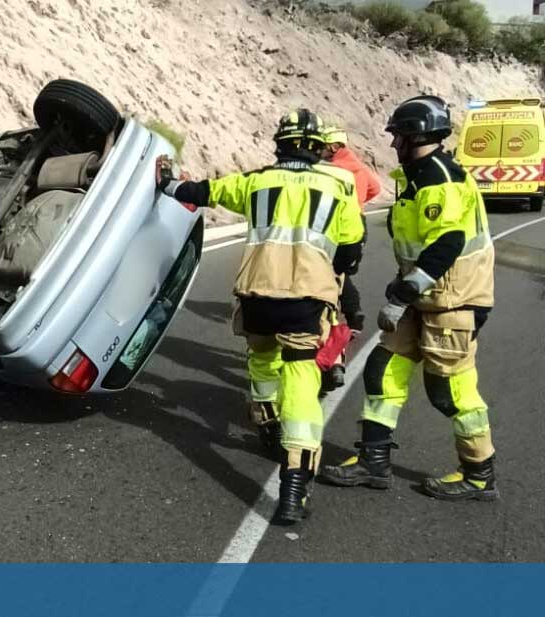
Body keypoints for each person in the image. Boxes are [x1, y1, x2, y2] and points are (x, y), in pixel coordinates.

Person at [157, 109, 365, 524]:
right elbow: (351, 252)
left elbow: (201, 191)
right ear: (317, 147)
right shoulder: (340, 186)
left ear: (280, 144)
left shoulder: (256, 180)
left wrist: (166, 182)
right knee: (302, 383)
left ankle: (267, 428)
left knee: (263, 363)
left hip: (257, 295)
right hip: (306, 298)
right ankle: (294, 489)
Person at [319, 95, 498, 501]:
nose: (393, 142)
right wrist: (406, 286)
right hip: (425, 297)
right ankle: (373, 462)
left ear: (414, 135)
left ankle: (479, 474)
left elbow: (447, 241)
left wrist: (403, 292)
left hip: (453, 301)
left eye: (397, 135)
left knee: (449, 391)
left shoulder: (438, 179)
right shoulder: (417, 176)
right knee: (383, 367)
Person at [319, 118, 383, 333]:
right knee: (341, 271)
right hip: (359, 222)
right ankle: (352, 311)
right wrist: (359, 200)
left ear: (334, 147)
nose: (319, 150)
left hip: (336, 223)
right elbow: (376, 188)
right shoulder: (360, 168)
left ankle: (337, 315)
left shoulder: (332, 171)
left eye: (323, 146)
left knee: (327, 270)